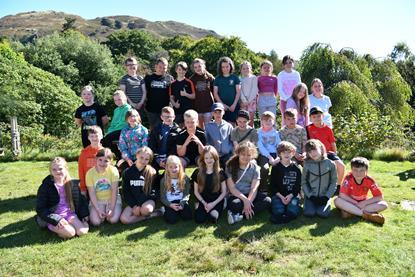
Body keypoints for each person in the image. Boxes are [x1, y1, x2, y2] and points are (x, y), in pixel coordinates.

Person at [36, 157, 89, 239]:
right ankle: (56, 228)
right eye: (54, 169)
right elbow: (40, 208)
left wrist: (84, 214)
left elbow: (81, 201)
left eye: (60, 169)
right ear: (50, 171)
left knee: (82, 232)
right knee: (71, 233)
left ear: (66, 168)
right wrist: (56, 219)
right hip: (54, 216)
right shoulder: (46, 186)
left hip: (70, 214)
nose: (57, 171)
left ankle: (67, 228)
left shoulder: (72, 184)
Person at [226, 141, 271, 224]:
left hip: (250, 195)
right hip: (236, 195)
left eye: (249, 155)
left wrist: (248, 201)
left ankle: (239, 215)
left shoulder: (255, 168)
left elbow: (254, 188)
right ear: (238, 153)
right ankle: (243, 213)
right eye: (243, 154)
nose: (246, 157)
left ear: (253, 156)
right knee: (235, 204)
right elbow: (231, 188)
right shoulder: (230, 166)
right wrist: (245, 200)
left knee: (267, 200)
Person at [334, 157, 388, 225]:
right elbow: (342, 195)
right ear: (351, 170)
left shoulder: (370, 180)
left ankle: (353, 212)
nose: (358, 173)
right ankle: (367, 215)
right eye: (355, 170)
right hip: (350, 202)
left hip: (363, 203)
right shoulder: (348, 178)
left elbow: (379, 197)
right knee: (337, 201)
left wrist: (364, 203)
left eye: (362, 170)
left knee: (384, 204)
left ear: (367, 171)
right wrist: (355, 203)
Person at [120, 147, 162, 224]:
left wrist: (139, 205)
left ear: (149, 160)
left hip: (147, 200)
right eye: (141, 157)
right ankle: (153, 214)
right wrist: (134, 206)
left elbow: (152, 191)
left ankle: (148, 213)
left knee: (146, 210)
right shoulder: (127, 172)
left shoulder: (151, 172)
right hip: (133, 202)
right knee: (124, 219)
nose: (143, 161)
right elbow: (126, 192)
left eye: (146, 159)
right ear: (136, 156)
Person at [307, 106, 345, 188]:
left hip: (329, 152)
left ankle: (337, 186)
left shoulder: (328, 129)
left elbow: (332, 143)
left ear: (323, 116)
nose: (317, 118)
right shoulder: (308, 129)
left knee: (341, 166)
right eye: (314, 117)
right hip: (317, 154)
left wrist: (335, 154)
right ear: (310, 118)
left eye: (319, 116)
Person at [301, 139, 337, 218]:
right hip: (311, 196)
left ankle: (328, 202)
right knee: (309, 213)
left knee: (322, 214)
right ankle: (309, 203)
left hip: (324, 196)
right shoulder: (307, 164)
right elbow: (303, 182)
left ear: (321, 148)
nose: (312, 153)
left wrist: (327, 196)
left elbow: (334, 182)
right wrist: (310, 196)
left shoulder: (331, 164)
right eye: (310, 152)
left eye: (314, 150)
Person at [86, 148, 122, 225]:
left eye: (106, 161)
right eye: (100, 160)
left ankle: (110, 210)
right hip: (98, 200)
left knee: (113, 220)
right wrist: (98, 210)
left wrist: (111, 209)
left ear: (110, 161)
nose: (102, 163)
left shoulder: (113, 171)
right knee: (96, 222)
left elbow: (114, 191)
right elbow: (91, 193)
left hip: (112, 199)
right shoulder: (89, 173)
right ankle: (101, 211)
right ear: (96, 159)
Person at [191, 146, 227, 224]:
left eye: (211, 157)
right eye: (206, 158)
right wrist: (204, 203)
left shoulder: (220, 173)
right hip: (203, 200)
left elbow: (224, 192)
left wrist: (213, 204)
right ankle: (198, 206)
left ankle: (221, 205)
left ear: (215, 158)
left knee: (213, 218)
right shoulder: (197, 172)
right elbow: (196, 192)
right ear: (203, 159)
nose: (209, 160)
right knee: (199, 219)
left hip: (216, 201)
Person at [270, 141, 302, 224]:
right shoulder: (275, 168)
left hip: (292, 195)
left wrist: (291, 195)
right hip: (278, 195)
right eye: (284, 152)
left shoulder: (296, 168)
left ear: (293, 154)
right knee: (278, 210)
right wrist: (281, 197)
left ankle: (286, 217)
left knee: (292, 211)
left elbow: (298, 186)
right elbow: (272, 186)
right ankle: (279, 216)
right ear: (279, 154)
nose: (286, 154)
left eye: (289, 152)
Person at [160, 155, 192, 224]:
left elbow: (186, 193)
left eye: (176, 167)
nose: (173, 169)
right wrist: (170, 205)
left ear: (179, 167)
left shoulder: (185, 178)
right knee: (172, 220)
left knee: (188, 217)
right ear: (167, 167)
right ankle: (164, 210)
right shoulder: (164, 180)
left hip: (181, 200)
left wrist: (182, 203)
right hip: (170, 202)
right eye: (171, 167)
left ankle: (178, 211)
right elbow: (163, 197)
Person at [144, 57, 174, 130]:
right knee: (153, 129)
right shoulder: (148, 78)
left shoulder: (170, 78)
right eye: (160, 67)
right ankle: (153, 141)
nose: (162, 69)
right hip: (151, 109)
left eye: (164, 68)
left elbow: (173, 93)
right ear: (156, 66)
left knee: (166, 128)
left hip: (165, 110)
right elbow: (143, 92)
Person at [102, 90, 131, 159]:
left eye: (119, 99)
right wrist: (109, 131)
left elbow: (124, 123)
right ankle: (118, 155)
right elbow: (113, 123)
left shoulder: (128, 108)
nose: (118, 102)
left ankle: (119, 156)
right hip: (115, 131)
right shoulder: (116, 110)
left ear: (125, 98)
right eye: (115, 100)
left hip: (124, 130)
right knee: (102, 141)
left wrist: (112, 131)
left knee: (108, 138)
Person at [257, 111, 281, 190]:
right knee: (264, 168)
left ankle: (276, 188)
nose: (267, 122)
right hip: (264, 155)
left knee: (279, 168)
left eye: (270, 120)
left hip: (275, 154)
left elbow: (279, 145)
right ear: (261, 121)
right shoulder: (258, 133)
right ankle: (263, 188)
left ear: (273, 121)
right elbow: (260, 147)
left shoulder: (276, 133)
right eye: (265, 120)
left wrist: (278, 157)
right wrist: (270, 157)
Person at [213, 56, 241, 124]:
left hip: (233, 106)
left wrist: (234, 105)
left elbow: (238, 92)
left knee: (232, 125)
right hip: (222, 107)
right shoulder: (217, 78)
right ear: (220, 68)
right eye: (223, 67)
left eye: (227, 66)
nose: (225, 68)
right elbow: (215, 93)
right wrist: (222, 105)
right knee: (223, 124)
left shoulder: (235, 78)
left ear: (230, 66)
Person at [205, 102, 234, 168]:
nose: (218, 114)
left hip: (227, 155)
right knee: (215, 171)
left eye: (220, 112)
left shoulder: (228, 126)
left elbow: (233, 140)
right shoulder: (208, 127)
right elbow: (206, 141)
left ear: (223, 112)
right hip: (214, 156)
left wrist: (231, 151)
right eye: (215, 112)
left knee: (229, 168)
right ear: (212, 113)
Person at [78, 126, 104, 196]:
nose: (94, 138)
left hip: (103, 187)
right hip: (89, 187)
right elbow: (81, 171)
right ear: (88, 138)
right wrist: (83, 188)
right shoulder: (84, 153)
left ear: (101, 136)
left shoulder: (105, 153)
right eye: (92, 136)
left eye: (96, 136)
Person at [189, 58, 215, 129]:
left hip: (208, 108)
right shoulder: (192, 79)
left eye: (199, 66)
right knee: (200, 128)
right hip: (197, 108)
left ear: (204, 66)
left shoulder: (210, 77)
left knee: (208, 128)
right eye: (195, 67)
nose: (198, 68)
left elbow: (215, 92)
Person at [169, 61, 196, 127]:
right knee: (178, 129)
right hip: (177, 111)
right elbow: (171, 97)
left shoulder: (189, 82)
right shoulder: (172, 84)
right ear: (176, 70)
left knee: (188, 128)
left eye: (184, 70)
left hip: (188, 110)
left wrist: (186, 94)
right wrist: (175, 104)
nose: (181, 71)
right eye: (179, 69)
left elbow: (194, 96)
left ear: (186, 71)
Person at [239, 61, 258, 127]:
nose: (246, 70)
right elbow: (240, 91)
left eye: (247, 68)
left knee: (250, 120)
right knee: (243, 119)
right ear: (241, 70)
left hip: (251, 101)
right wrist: (244, 101)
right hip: (243, 102)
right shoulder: (239, 79)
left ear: (250, 69)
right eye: (243, 68)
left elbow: (254, 90)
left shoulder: (253, 78)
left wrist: (248, 101)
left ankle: (251, 135)